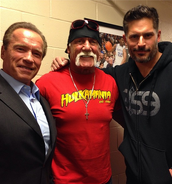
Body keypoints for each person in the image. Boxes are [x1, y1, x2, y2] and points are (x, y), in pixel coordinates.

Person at [52, 5, 172, 184]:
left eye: (147, 35)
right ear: (125, 39)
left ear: (158, 36)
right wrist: (67, 62)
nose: (141, 42)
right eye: (134, 36)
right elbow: (90, 70)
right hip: (134, 176)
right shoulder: (119, 74)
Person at [36, 19, 120, 184]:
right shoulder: (46, 84)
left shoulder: (110, 83)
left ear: (99, 50)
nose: (87, 46)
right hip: (63, 180)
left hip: (103, 179)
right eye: (79, 41)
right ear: (68, 48)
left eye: (93, 42)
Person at [0, 22, 57, 184]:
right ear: (3, 51)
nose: (29, 59)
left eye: (36, 53)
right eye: (20, 49)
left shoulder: (40, 98)